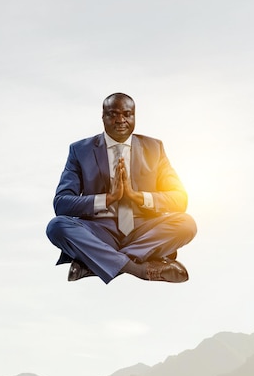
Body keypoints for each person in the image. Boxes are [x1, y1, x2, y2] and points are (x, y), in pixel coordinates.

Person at [46, 93, 197, 284]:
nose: (121, 120)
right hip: (100, 232)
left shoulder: (154, 148)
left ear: (134, 116)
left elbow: (179, 200)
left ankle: (94, 262)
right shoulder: (80, 151)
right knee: (57, 226)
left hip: (144, 232)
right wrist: (108, 198)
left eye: (127, 114)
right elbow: (61, 204)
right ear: (103, 117)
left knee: (186, 224)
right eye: (113, 114)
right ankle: (138, 268)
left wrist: (138, 197)